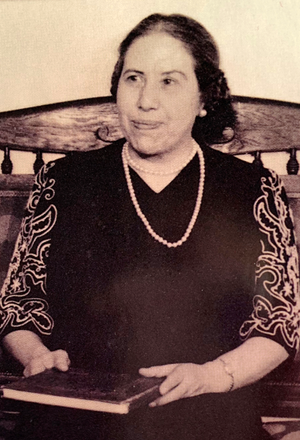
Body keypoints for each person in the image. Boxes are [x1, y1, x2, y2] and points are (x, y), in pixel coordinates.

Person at [0, 12, 299, 440]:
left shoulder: (255, 187)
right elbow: (19, 303)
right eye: (133, 78)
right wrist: (36, 358)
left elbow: (279, 324)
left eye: (169, 81)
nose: (145, 102)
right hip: (77, 418)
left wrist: (212, 375)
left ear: (204, 98)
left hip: (207, 414)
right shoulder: (62, 181)